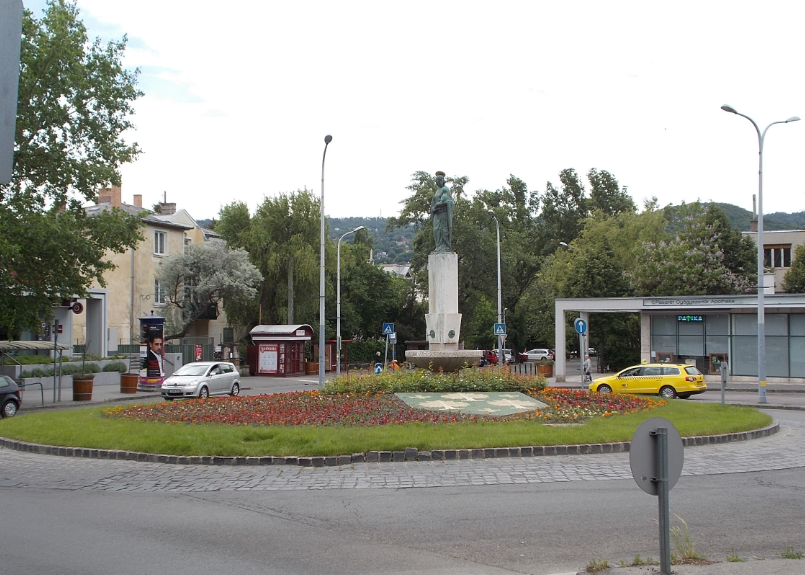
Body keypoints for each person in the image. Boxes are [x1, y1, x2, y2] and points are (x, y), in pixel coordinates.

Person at [431, 171, 454, 253]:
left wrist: (439, 205)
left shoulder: (445, 189)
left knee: (443, 230)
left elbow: (450, 202)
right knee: (436, 230)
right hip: (437, 214)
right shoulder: (437, 191)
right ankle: (438, 246)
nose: (437, 183)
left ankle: (445, 246)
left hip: (443, 214)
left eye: (438, 181)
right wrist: (434, 208)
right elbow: (434, 201)